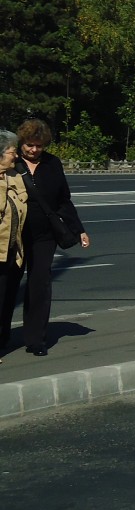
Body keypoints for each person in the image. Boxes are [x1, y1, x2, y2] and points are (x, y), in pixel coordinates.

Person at [11, 119, 89, 357]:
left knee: (40, 286)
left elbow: (63, 200)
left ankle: (36, 339)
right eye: (29, 145)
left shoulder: (52, 163)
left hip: (45, 235)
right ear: (21, 142)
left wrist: (79, 229)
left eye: (39, 146)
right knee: (7, 286)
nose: (34, 150)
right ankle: (2, 334)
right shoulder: (10, 162)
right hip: (14, 235)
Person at [0, 130, 29, 362]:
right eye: (11, 152)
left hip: (12, 252)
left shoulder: (13, 177)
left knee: (8, 298)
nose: (16, 156)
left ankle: (2, 341)